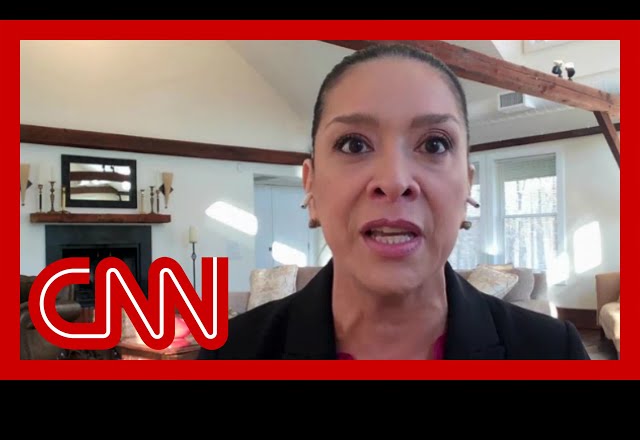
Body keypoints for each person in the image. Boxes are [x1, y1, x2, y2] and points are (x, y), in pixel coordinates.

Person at [198, 42, 590, 360]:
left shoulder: (554, 353)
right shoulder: (231, 355)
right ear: (311, 187)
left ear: (467, 188)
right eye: (354, 144)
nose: (394, 181)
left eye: (434, 144)